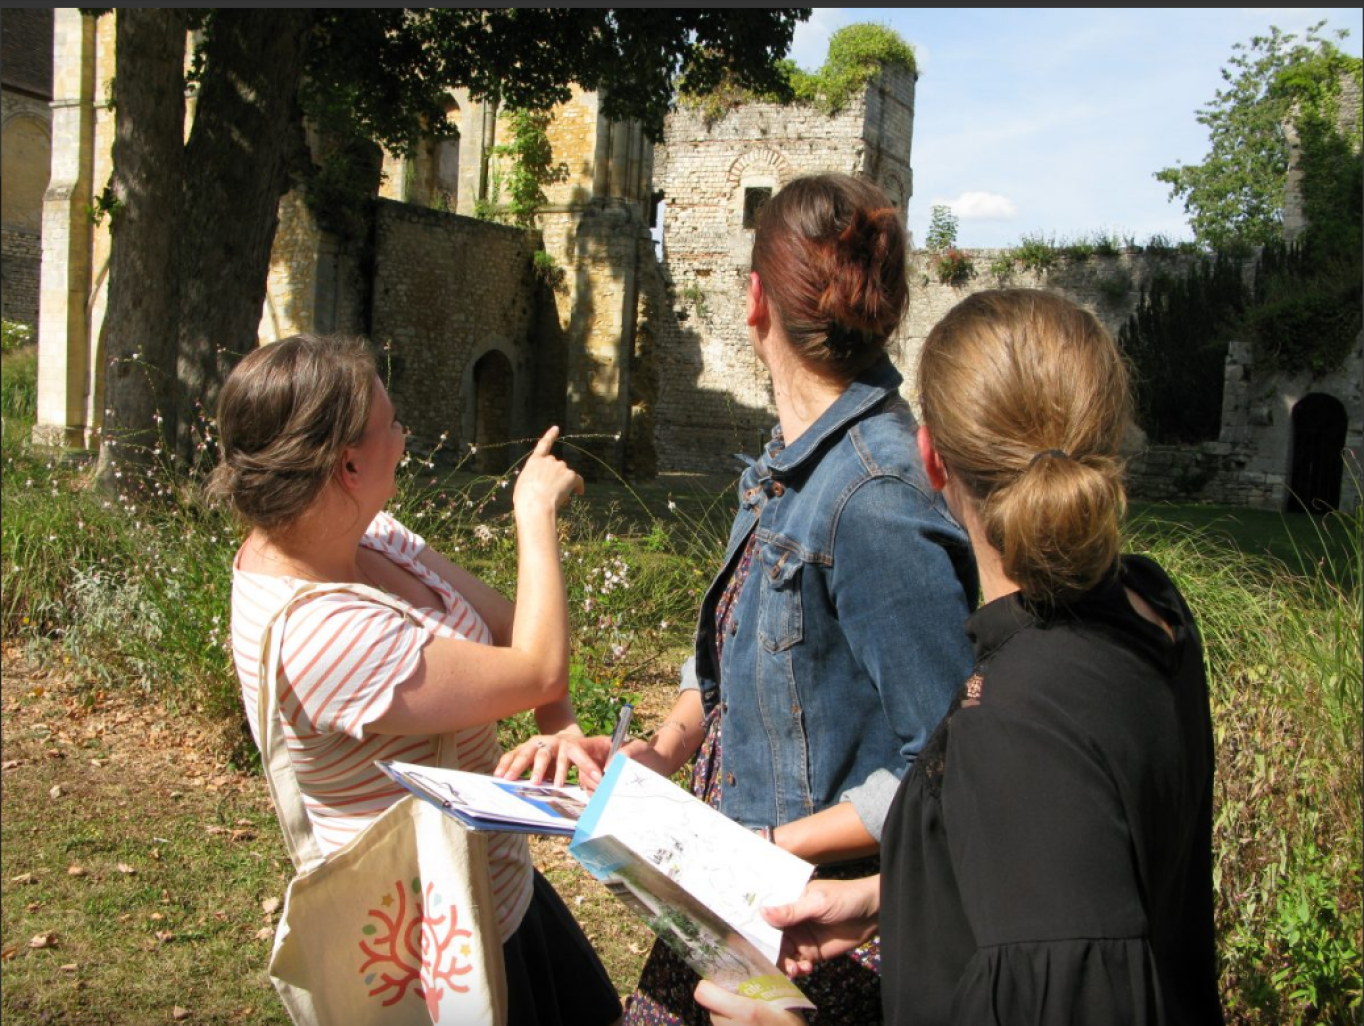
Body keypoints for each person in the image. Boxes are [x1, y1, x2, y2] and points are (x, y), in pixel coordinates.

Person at [499, 174, 978, 1025]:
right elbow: (725, 656)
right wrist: (658, 754)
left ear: (755, 301)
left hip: (817, 936)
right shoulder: (783, 467)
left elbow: (944, 767)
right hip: (728, 898)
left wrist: (763, 848)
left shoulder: (876, 498)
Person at [693, 289, 1224, 1025]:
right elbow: (1069, 882)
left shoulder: (1018, 725)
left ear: (930, 456)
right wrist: (893, 896)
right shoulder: (1150, 611)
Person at [208, 333, 622, 1026]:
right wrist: (534, 513)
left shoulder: (363, 534)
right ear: (346, 464)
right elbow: (538, 663)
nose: (404, 437)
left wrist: (563, 727)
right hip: (436, 946)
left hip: (501, 892)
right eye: (391, 426)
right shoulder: (323, 633)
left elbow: (514, 630)